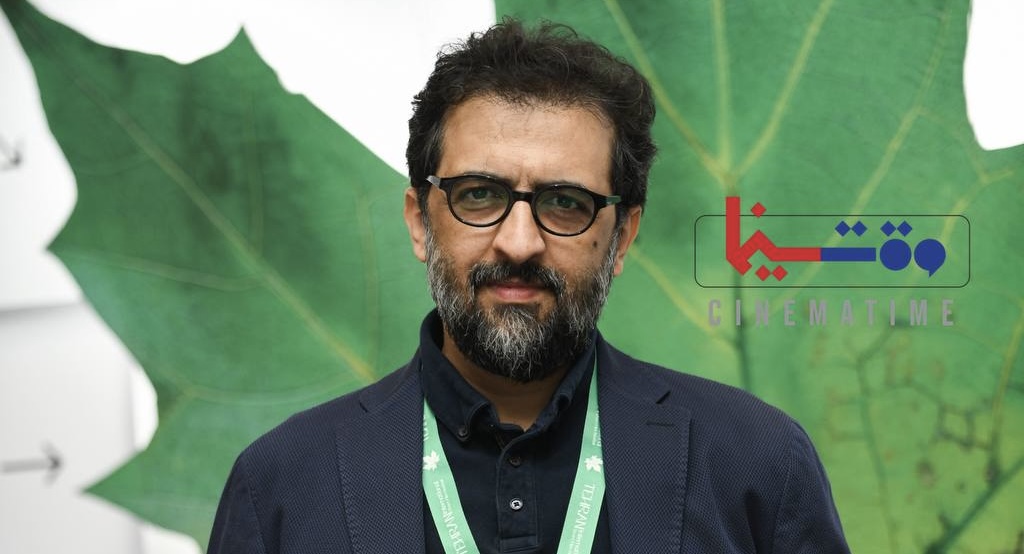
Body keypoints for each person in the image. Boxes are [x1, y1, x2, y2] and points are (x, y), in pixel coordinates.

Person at [208, 18, 850, 554]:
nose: (519, 243)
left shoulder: (758, 463)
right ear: (419, 222)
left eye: (565, 202)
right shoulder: (281, 486)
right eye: (479, 195)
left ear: (622, 237)